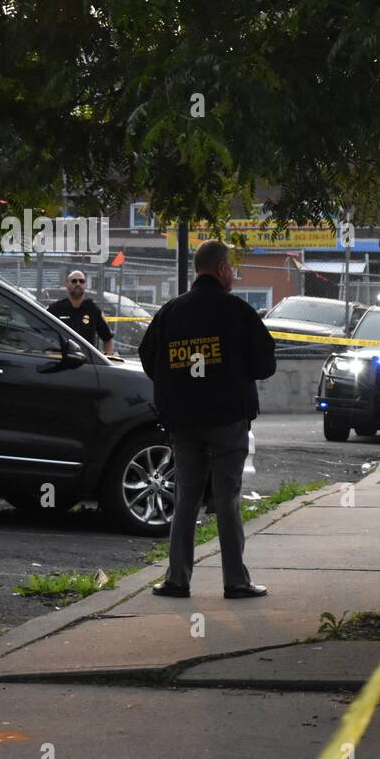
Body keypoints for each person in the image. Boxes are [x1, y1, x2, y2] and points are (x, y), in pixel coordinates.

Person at [139, 240, 277, 599]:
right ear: (220, 269)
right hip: (228, 421)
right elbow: (265, 364)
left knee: (185, 497)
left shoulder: (170, 312)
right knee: (227, 499)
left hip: (183, 422)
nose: (233, 273)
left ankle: (177, 580)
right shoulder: (238, 312)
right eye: (231, 267)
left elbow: (148, 358)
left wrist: (178, 386)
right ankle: (236, 581)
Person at [49, 270, 115, 355]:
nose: (78, 284)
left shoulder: (93, 310)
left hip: (86, 364)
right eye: (74, 281)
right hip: (61, 362)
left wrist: (107, 357)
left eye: (81, 281)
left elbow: (108, 338)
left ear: (85, 285)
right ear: (67, 284)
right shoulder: (55, 309)